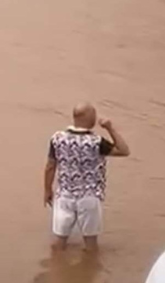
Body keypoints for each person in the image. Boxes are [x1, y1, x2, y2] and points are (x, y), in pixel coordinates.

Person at [44, 103, 130, 252]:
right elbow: (124, 150)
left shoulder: (57, 139)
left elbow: (50, 166)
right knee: (91, 243)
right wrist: (110, 128)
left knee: (60, 242)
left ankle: (58, 270)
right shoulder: (96, 142)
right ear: (89, 118)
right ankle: (90, 270)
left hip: (64, 196)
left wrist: (47, 190)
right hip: (89, 197)